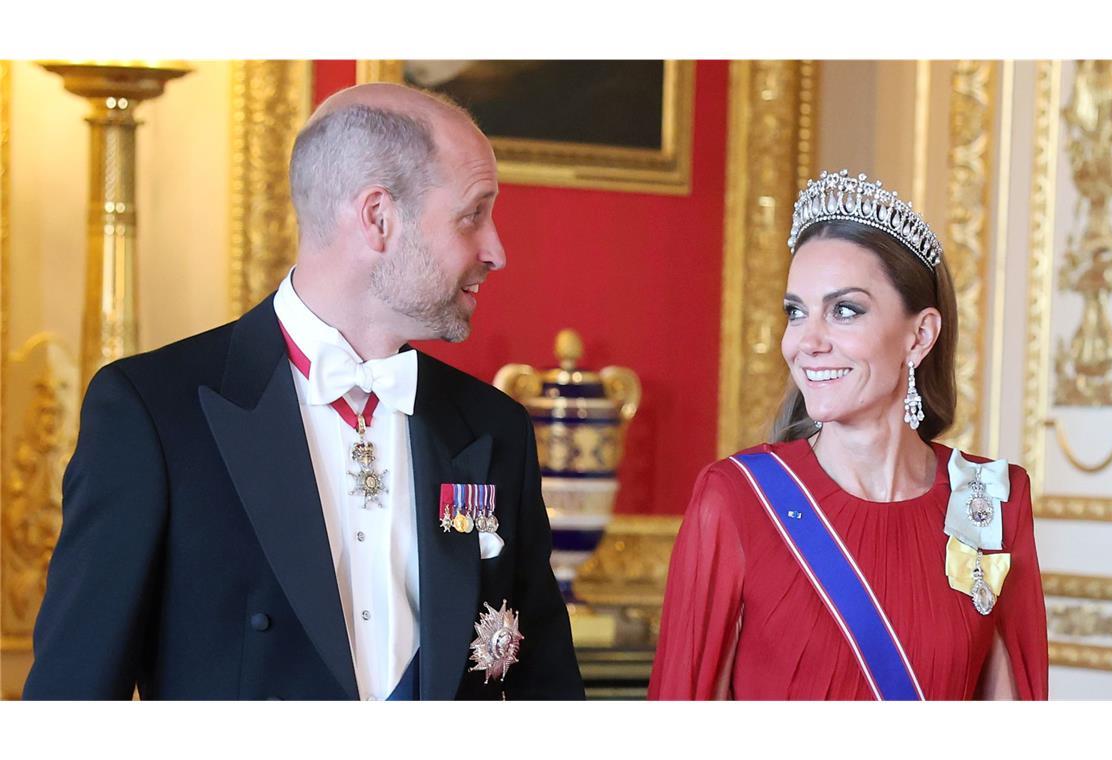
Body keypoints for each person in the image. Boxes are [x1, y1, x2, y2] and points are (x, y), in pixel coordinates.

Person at [23, 83, 584, 700]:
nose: (496, 250)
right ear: (378, 217)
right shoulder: (152, 413)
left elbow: (546, 693)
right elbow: (71, 700)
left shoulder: (492, 425)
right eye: (473, 214)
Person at [649, 170, 1048, 700]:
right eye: (796, 312)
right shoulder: (737, 498)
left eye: (844, 310)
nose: (807, 341)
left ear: (920, 334)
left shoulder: (991, 497)